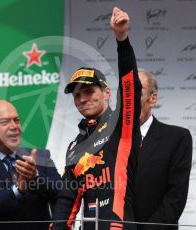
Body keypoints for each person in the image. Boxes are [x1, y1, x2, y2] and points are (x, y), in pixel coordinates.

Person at [52, 6, 141, 230]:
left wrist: (122, 40)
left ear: (107, 92)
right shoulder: (75, 147)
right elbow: (66, 201)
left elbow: (129, 87)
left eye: (89, 91)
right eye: (77, 95)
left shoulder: (121, 125)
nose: (83, 99)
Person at [0, 100, 61, 230]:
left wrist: (36, 178)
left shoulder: (40, 156)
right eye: (5, 122)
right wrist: (17, 190)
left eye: (16, 120)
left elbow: (63, 193)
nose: (14, 126)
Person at [134, 69, 193, 230]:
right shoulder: (110, 140)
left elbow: (175, 197)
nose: (129, 100)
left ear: (152, 99)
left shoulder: (177, 138)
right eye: (125, 94)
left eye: (135, 93)